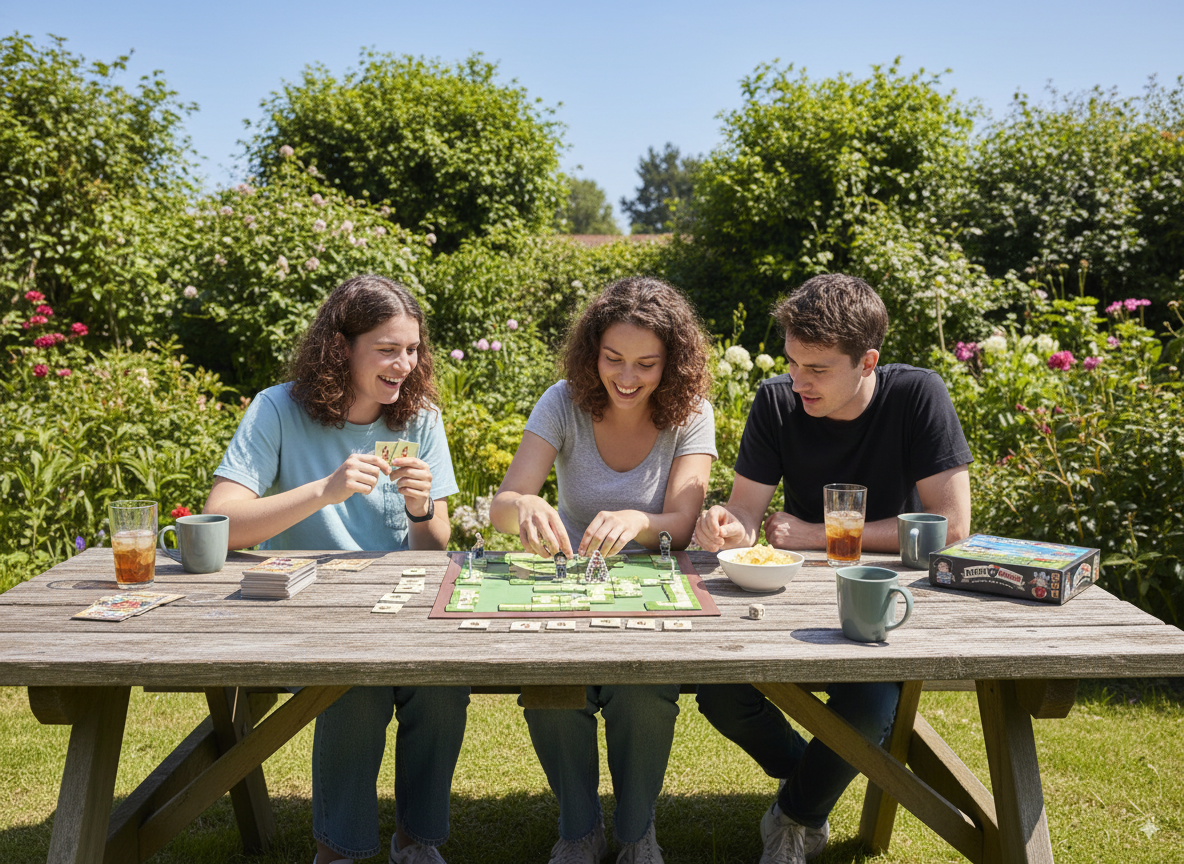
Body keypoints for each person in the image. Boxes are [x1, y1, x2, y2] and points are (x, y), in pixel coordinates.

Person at [693, 273, 972, 864]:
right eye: (792, 362)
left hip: (885, 600)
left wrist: (820, 534)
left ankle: (796, 815)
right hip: (785, 597)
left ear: (867, 360)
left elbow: (951, 528)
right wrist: (725, 524)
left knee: (869, 701)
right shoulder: (776, 400)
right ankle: (818, 774)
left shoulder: (919, 396)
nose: (798, 381)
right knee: (720, 692)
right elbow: (746, 511)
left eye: (816, 370)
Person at [203, 275, 467, 864]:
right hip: (306, 608)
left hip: (396, 604)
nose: (405, 364)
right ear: (341, 347)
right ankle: (338, 850)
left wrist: (423, 508)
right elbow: (220, 522)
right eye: (387, 349)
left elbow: (433, 548)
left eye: (413, 349)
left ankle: (416, 841)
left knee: (443, 684)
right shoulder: (277, 408)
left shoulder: (419, 419)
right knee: (355, 686)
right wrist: (324, 491)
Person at [490, 277, 717, 864]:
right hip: (566, 581)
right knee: (553, 685)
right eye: (613, 358)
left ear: (673, 363)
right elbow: (501, 507)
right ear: (593, 353)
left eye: (647, 363)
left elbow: (684, 525)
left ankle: (637, 832)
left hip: (655, 586)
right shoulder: (562, 400)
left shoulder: (692, 413)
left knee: (641, 687)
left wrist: (639, 522)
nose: (627, 377)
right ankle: (578, 828)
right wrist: (527, 507)